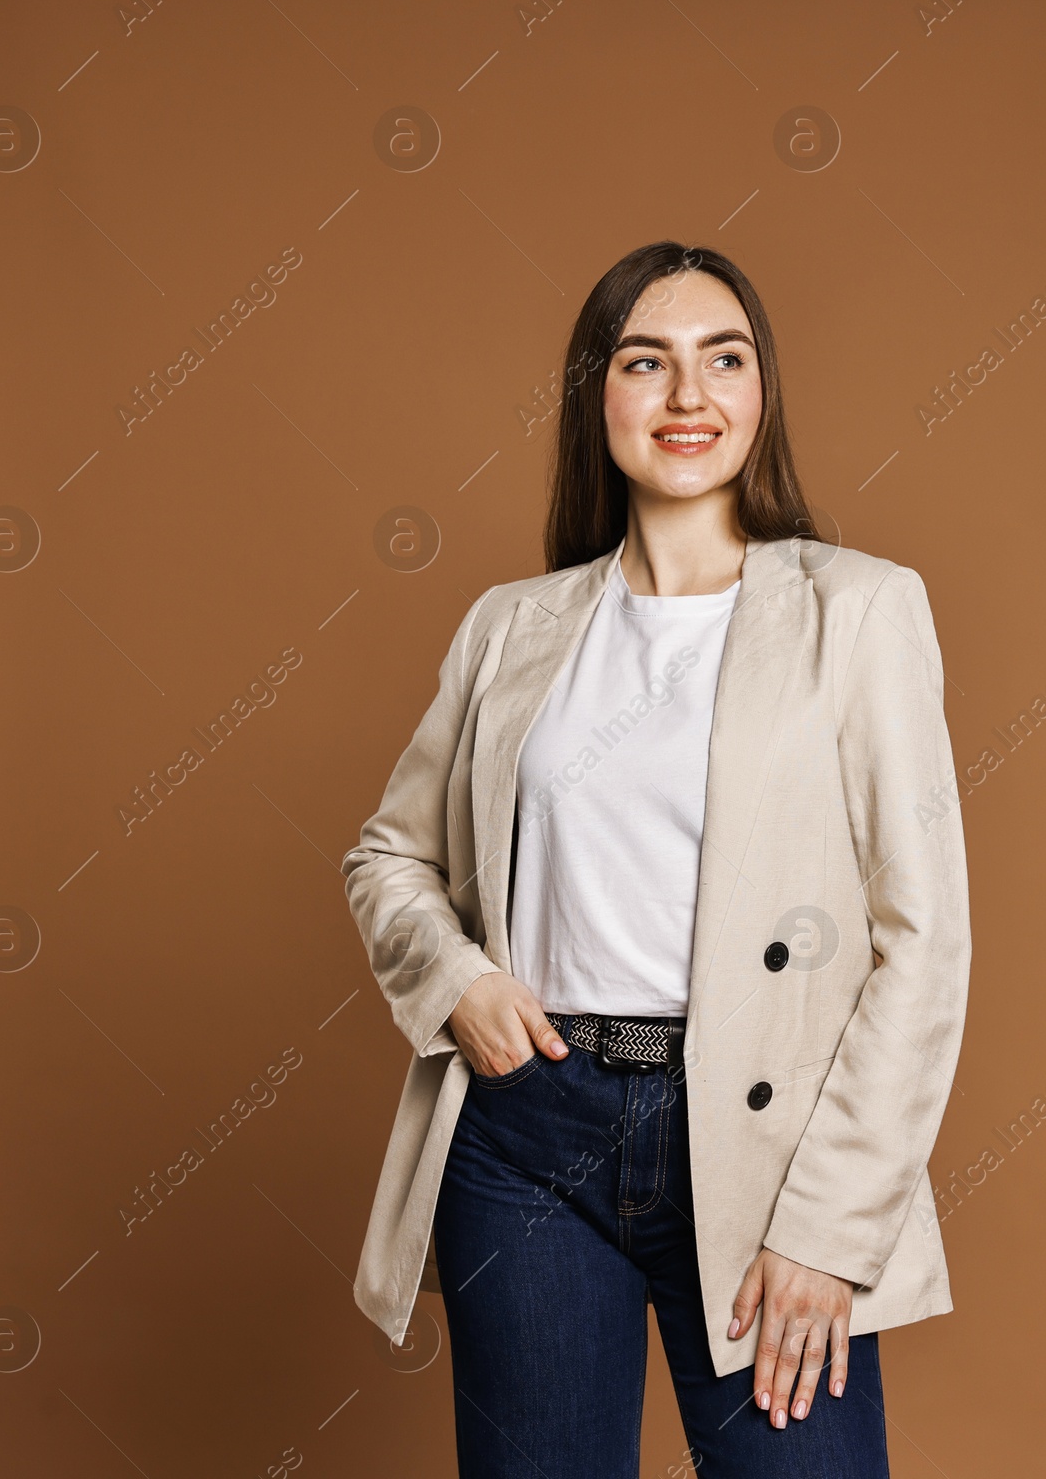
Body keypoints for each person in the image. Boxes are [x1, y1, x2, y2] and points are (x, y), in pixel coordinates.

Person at [342, 240, 972, 1476]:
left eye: (722, 360)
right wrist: (459, 982)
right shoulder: (511, 626)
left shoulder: (859, 610)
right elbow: (387, 857)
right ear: (599, 397)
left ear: (760, 392)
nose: (689, 397)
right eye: (648, 362)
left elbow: (922, 940)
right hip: (530, 1131)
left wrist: (834, 1225)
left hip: (768, 1142)